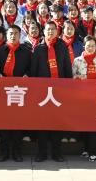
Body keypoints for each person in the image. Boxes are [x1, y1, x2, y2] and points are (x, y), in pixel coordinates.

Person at [28, 21, 73, 162]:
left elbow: (67, 67)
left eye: (53, 29)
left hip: (59, 91)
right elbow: (33, 71)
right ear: (44, 31)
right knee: (42, 122)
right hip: (42, 92)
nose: (50, 32)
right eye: (48, 29)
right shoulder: (38, 48)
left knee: (57, 122)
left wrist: (68, 87)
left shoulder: (62, 47)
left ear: (57, 31)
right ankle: (41, 153)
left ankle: (57, 152)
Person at [0, 24, 31, 162]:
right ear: (7, 35)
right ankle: (4, 152)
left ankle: (17, 152)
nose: (13, 36)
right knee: (4, 123)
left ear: (20, 35)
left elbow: (31, 67)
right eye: (10, 33)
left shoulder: (26, 51)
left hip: (19, 92)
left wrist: (27, 74)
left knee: (18, 123)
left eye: (16, 33)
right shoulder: (0, 51)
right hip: (4, 92)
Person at [72, 35, 96, 161]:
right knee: (84, 124)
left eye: (93, 46)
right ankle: (86, 149)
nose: (90, 48)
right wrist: (77, 78)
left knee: (95, 125)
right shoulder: (77, 61)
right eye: (88, 46)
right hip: (82, 98)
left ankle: (93, 152)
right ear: (84, 46)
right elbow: (71, 77)